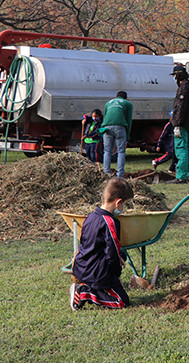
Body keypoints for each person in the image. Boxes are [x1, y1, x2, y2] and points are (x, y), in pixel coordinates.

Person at [69, 177, 134, 310]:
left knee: (121, 254)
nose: (124, 208)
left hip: (83, 265)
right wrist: (116, 275)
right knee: (122, 301)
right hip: (96, 272)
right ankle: (84, 293)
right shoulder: (109, 222)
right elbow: (112, 254)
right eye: (125, 204)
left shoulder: (91, 217)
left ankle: (89, 286)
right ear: (118, 203)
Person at [169, 64, 189, 184]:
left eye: (175, 75)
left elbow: (180, 107)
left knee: (181, 149)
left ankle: (181, 176)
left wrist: (176, 123)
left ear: (179, 75)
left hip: (182, 122)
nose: (174, 77)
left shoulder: (183, 88)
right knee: (187, 148)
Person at [101, 91, 133, 178]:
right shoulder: (128, 104)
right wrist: (127, 137)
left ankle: (106, 173)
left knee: (107, 151)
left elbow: (105, 117)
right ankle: (120, 175)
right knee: (121, 151)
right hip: (120, 127)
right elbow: (129, 120)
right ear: (126, 98)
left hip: (107, 128)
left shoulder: (108, 103)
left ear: (116, 96)